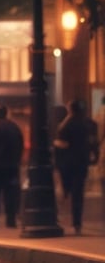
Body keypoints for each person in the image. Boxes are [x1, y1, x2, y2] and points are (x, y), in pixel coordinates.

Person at [53, 99, 100, 235]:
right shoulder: (90, 124)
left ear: (70, 109)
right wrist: (94, 157)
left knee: (65, 191)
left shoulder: (66, 124)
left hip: (67, 163)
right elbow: (94, 143)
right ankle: (77, 223)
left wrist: (56, 144)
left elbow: (63, 144)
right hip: (82, 162)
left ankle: (59, 218)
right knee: (78, 193)